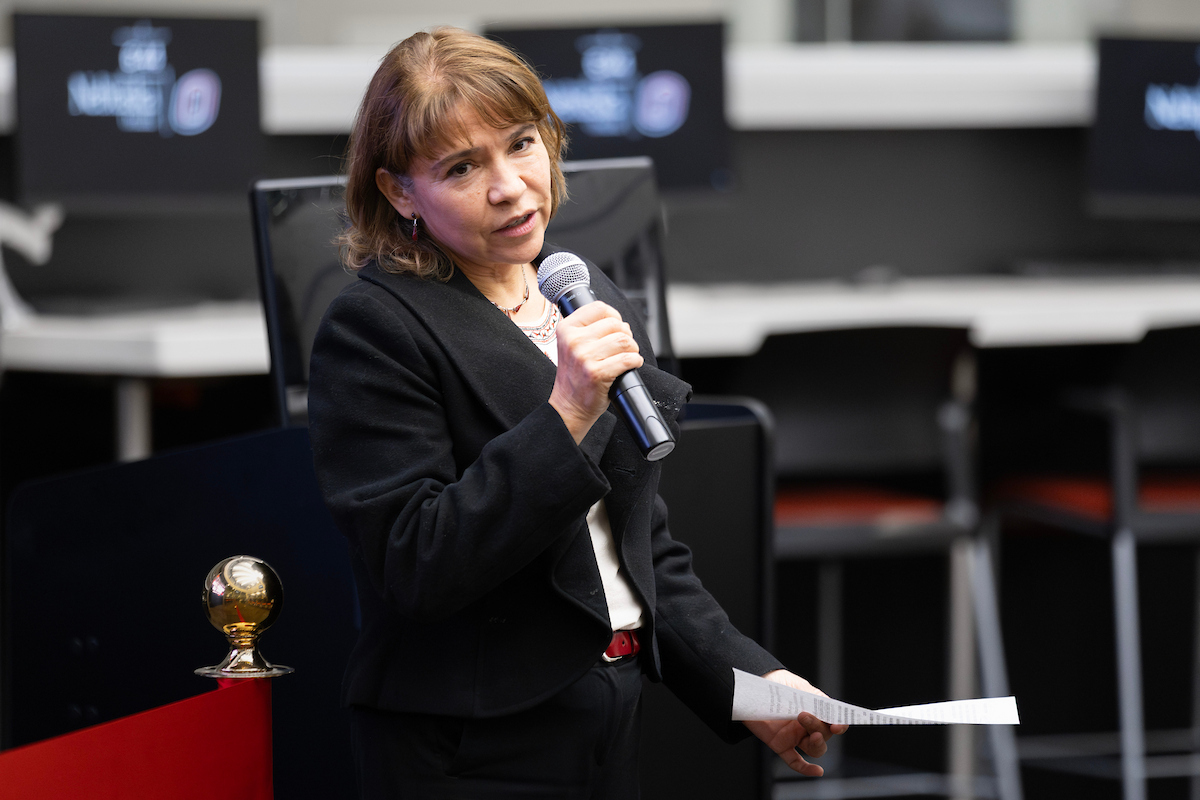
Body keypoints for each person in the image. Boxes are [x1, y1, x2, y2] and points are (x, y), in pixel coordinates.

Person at [307, 26, 846, 798]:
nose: (510, 186)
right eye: (462, 167)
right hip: (470, 746)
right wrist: (566, 411)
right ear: (399, 193)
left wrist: (754, 687)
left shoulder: (583, 293)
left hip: (606, 712)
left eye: (521, 144)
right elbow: (417, 564)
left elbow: (638, 547)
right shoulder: (374, 328)